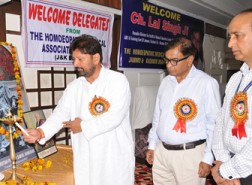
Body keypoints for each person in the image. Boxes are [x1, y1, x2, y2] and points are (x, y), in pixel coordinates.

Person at [23, 34, 135, 185]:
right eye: (73, 59)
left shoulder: (117, 81)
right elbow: (61, 113)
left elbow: (114, 117)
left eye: (80, 59)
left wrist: (81, 126)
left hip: (112, 155)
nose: (75, 64)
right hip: (85, 154)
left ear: (95, 58)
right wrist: (41, 132)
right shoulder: (74, 86)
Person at [145, 37, 221, 185]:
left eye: (174, 61)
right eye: (166, 60)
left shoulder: (207, 83)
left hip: (190, 155)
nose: (168, 65)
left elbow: (214, 124)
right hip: (162, 152)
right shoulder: (166, 82)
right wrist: (152, 146)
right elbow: (157, 117)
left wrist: (208, 158)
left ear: (189, 59)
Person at [211, 9, 252, 185]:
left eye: (237, 35)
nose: (229, 44)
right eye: (230, 36)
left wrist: (225, 170)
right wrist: (221, 159)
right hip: (230, 166)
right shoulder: (236, 78)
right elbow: (222, 120)